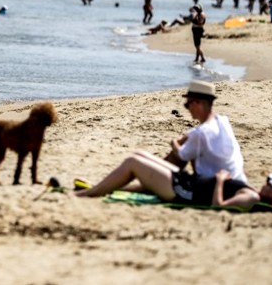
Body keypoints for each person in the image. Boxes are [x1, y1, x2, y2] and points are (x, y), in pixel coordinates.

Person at [76, 81, 257, 208]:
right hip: (218, 183)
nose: (187, 108)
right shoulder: (222, 121)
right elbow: (193, 142)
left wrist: (173, 142)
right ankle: (103, 187)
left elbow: (181, 155)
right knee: (138, 156)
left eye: (188, 104)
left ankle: (87, 194)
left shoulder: (201, 133)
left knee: (133, 162)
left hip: (198, 190)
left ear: (199, 103)